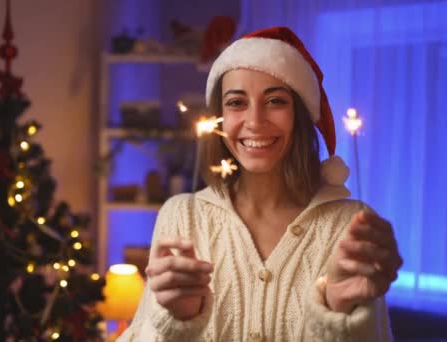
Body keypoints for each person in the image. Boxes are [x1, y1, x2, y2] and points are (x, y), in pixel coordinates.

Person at [117, 26, 402, 341]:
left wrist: (338, 311)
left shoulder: (350, 224)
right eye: (237, 103)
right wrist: (176, 319)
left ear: (299, 114)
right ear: (219, 115)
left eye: (276, 101)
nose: (254, 122)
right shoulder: (181, 215)